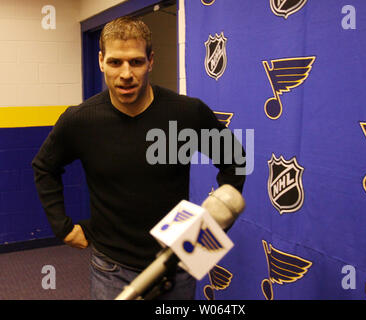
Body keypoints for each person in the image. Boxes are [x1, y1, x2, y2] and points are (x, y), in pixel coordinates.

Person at [31, 16, 245, 300]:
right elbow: (44, 167)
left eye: (136, 62)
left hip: (177, 263)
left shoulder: (186, 113)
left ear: (151, 61)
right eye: (116, 62)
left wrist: (211, 226)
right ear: (101, 61)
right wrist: (62, 227)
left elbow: (234, 159)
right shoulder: (80, 120)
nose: (126, 73)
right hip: (111, 268)